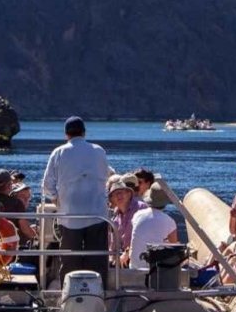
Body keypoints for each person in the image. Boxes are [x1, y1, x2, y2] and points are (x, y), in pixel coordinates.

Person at [41, 116, 111, 284]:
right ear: (84, 132)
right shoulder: (99, 151)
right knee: (97, 261)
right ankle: (98, 294)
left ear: (66, 134)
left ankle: (69, 296)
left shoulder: (59, 152)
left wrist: (57, 201)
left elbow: (47, 185)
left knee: (70, 262)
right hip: (97, 216)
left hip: (69, 217)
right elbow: (106, 176)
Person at [127, 201, 180, 270]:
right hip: (154, 270)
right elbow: (174, 247)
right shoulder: (169, 221)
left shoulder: (137, 214)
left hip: (134, 267)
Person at [107, 176, 148, 266]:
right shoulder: (115, 219)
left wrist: (127, 252)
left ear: (129, 194)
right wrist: (111, 260)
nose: (119, 196)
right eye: (115, 194)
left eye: (121, 192)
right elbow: (114, 246)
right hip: (124, 260)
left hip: (142, 257)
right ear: (112, 200)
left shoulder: (141, 208)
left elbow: (145, 236)